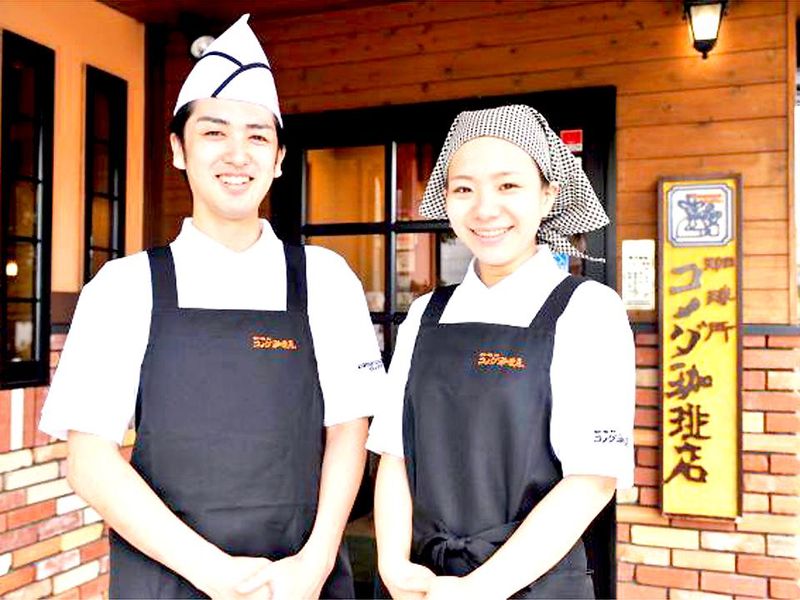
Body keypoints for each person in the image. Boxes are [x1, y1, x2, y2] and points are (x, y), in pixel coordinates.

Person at [39, 14, 383, 599]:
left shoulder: (325, 278)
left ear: (279, 157)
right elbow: (90, 459)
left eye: (257, 136)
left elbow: (349, 432)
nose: (237, 154)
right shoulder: (123, 287)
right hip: (166, 578)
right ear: (178, 149)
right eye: (214, 132)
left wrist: (316, 562)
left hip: (300, 578)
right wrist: (213, 573)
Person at [368, 105, 635, 599]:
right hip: (419, 583)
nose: (484, 209)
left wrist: (478, 589)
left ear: (547, 194)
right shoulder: (425, 313)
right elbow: (394, 456)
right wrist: (393, 566)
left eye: (508, 185)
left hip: (531, 583)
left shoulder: (587, 309)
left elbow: (593, 479)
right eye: (464, 189)